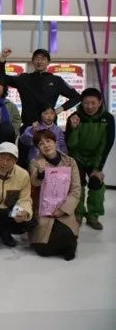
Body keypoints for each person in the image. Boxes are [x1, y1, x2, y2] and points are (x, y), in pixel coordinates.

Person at [65, 88, 115, 230]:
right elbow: (71, 145)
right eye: (86, 103)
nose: (90, 106)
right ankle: (78, 213)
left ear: (100, 102)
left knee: (96, 183)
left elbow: (107, 144)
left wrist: (98, 168)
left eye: (93, 103)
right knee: (78, 184)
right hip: (77, 156)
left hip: (95, 157)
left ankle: (94, 215)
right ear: (81, 102)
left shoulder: (107, 118)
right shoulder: (74, 117)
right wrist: (74, 128)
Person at [0, 47, 81, 131]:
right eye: (37, 58)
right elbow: (2, 78)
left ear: (48, 62)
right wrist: (3, 58)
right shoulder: (24, 78)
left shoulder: (56, 80)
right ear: (32, 61)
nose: (39, 61)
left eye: (43, 59)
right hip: (28, 127)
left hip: (49, 127)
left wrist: (59, 109)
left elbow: (77, 97)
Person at [28, 130, 80, 260]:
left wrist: (63, 209)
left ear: (55, 142)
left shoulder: (70, 162)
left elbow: (76, 190)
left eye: (48, 141)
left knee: (65, 234)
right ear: (38, 147)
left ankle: (70, 244)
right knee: (43, 249)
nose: (46, 145)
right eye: (41, 143)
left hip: (64, 208)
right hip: (44, 209)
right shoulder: (35, 162)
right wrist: (41, 172)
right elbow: (34, 182)